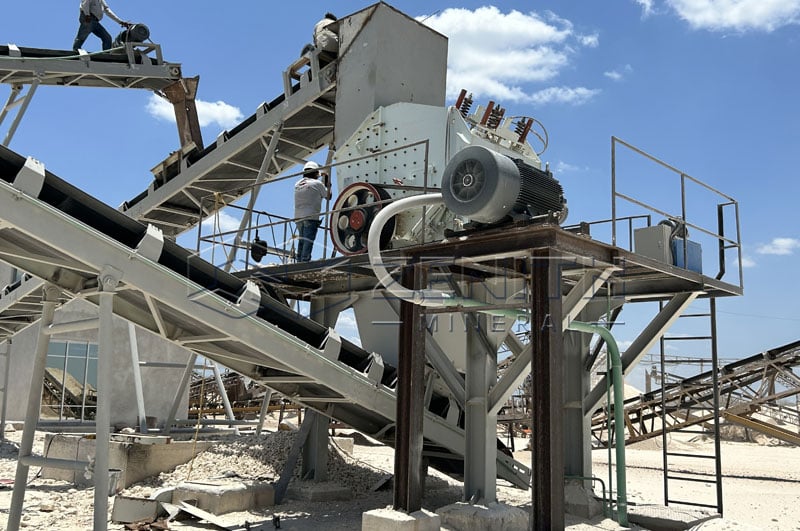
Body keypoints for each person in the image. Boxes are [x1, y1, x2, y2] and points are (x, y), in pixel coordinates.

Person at [294, 161, 331, 262]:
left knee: (301, 241)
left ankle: (299, 262)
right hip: (311, 216)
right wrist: (328, 184)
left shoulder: (297, 184)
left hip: (298, 217)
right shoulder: (317, 183)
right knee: (308, 241)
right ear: (315, 173)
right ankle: (305, 262)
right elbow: (329, 196)